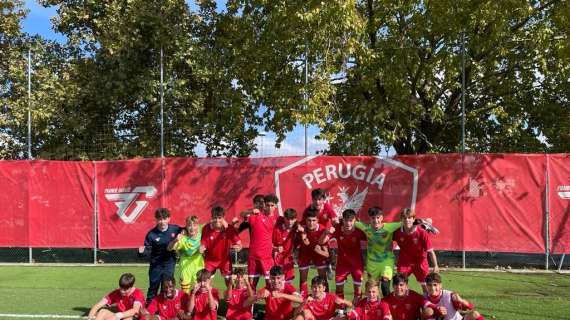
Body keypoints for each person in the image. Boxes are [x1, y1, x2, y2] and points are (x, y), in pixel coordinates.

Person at [319, 209, 367, 301]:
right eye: (346, 220)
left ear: (355, 220)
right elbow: (321, 242)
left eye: (351, 221)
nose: (348, 223)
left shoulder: (360, 231)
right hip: (342, 265)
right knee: (339, 290)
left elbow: (372, 240)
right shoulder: (337, 229)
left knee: (358, 292)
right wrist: (326, 232)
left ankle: (355, 311)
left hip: (357, 265)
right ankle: (341, 311)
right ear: (343, 220)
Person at [355, 206, 401, 297]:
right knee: (372, 289)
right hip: (372, 264)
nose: (376, 220)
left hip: (386, 262)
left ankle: (387, 307)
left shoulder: (390, 227)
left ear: (382, 218)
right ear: (370, 218)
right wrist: (338, 220)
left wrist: (424, 221)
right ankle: (375, 308)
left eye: (378, 217)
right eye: (373, 218)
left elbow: (407, 222)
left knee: (384, 286)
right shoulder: (366, 228)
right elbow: (351, 222)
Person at [139, 208, 182, 305]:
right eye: (159, 219)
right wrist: (141, 252)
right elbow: (147, 250)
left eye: (164, 218)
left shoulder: (175, 229)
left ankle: (164, 308)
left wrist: (182, 234)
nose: (162, 221)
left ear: (169, 219)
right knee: (153, 287)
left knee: (167, 286)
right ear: (156, 220)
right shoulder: (151, 234)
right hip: (156, 265)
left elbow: (187, 229)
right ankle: (149, 307)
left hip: (169, 263)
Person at [393, 208, 439, 294]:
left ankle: (426, 304)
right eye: (405, 218)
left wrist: (435, 265)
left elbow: (430, 251)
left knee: (425, 286)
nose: (407, 220)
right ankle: (406, 303)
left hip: (420, 262)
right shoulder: (397, 232)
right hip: (404, 262)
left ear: (413, 219)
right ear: (401, 219)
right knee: (400, 284)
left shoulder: (422, 233)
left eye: (409, 218)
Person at [244, 194, 280, 289]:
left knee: (271, 284)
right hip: (253, 256)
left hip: (267, 257)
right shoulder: (256, 215)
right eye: (267, 205)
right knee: (251, 285)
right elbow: (242, 214)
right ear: (264, 205)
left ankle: (270, 304)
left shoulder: (278, 220)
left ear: (276, 206)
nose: (269, 207)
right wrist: (251, 211)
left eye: (272, 205)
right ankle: (250, 304)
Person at [201, 206, 241, 286]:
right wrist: (201, 248)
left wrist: (238, 248)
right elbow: (203, 243)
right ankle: (208, 298)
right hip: (210, 261)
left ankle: (229, 298)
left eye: (219, 218)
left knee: (229, 284)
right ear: (212, 217)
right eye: (215, 217)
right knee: (205, 282)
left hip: (225, 261)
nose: (217, 220)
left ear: (223, 218)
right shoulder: (206, 228)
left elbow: (240, 245)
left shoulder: (229, 229)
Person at [297, 207, 330, 297]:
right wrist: (298, 227)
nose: (311, 223)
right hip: (304, 253)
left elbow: (327, 254)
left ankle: (325, 299)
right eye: (309, 220)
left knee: (323, 278)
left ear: (318, 220)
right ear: (305, 220)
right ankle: (304, 301)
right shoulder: (301, 228)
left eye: (314, 220)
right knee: (303, 279)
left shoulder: (323, 230)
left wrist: (319, 251)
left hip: (318, 255)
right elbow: (294, 223)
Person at [167, 215, 204, 293]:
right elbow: (169, 248)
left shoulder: (202, 235)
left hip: (199, 266)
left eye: (194, 225)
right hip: (185, 268)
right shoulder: (183, 238)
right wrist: (175, 240)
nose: (192, 228)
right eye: (189, 225)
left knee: (200, 289)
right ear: (186, 227)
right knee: (185, 293)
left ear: (198, 226)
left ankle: (198, 304)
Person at [273, 208, 300, 283]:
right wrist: (276, 249)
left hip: (289, 258)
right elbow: (270, 244)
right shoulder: (277, 230)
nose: (290, 222)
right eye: (288, 219)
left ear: (295, 219)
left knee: (288, 282)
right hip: (278, 259)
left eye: (292, 219)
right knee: (277, 281)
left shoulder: (296, 229)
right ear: (284, 219)